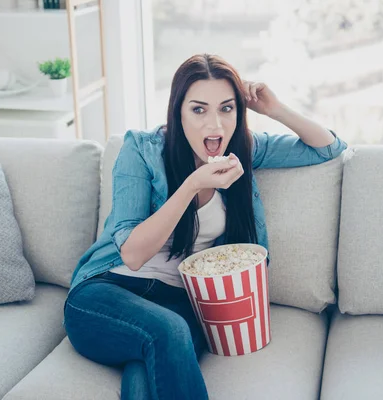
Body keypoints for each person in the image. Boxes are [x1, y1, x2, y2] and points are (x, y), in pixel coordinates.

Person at [64, 54, 348, 400]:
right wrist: (191, 186)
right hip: (106, 291)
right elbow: (134, 254)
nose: (215, 124)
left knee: (149, 363)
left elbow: (327, 148)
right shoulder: (141, 150)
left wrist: (274, 108)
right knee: (167, 332)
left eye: (226, 109)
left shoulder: (244, 148)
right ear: (178, 111)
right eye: (199, 109)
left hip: (179, 301)